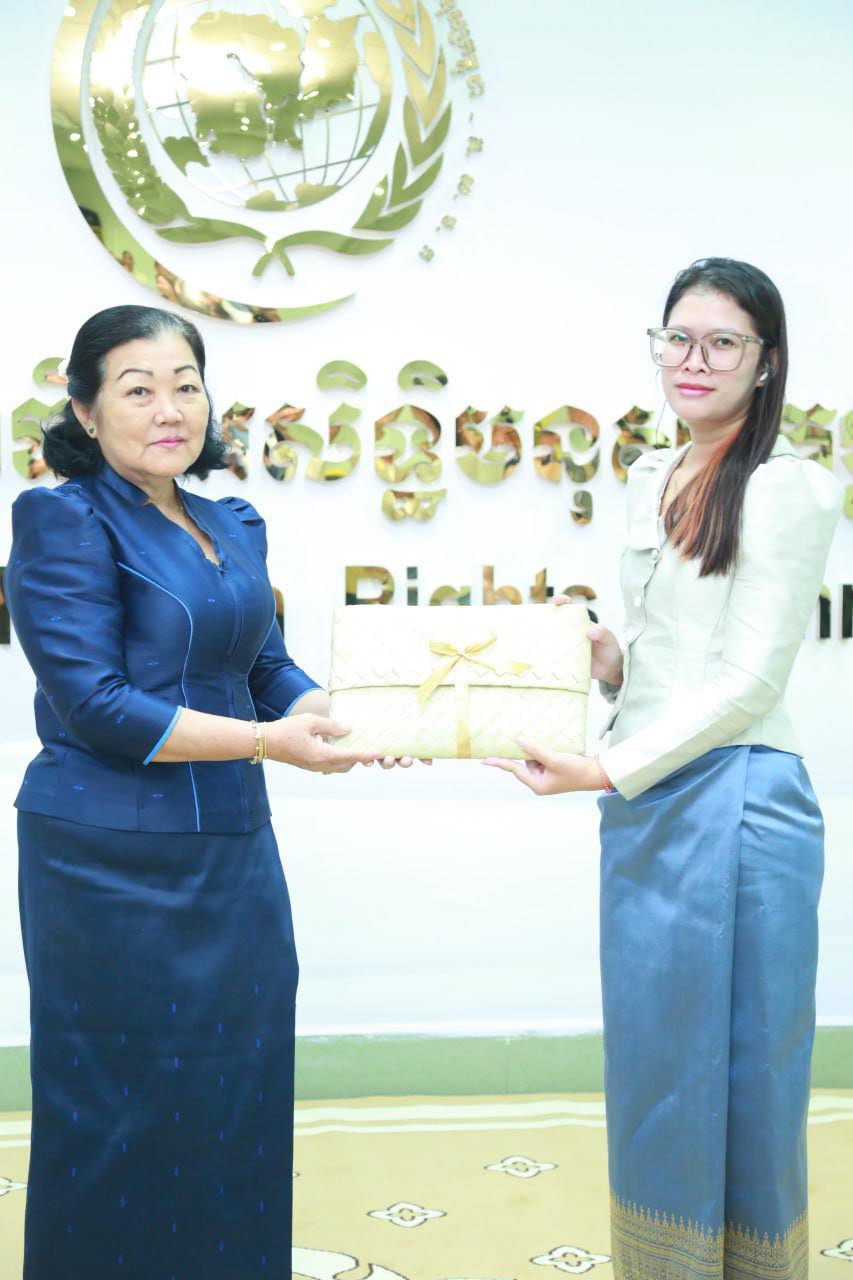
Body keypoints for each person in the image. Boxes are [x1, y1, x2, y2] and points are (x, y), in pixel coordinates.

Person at [5, 304, 392, 1279]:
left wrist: (352, 717)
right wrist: (270, 742)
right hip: (102, 859)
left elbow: (265, 666)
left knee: (236, 1096)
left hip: (232, 848)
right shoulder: (61, 517)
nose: (169, 408)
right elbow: (97, 705)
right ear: (86, 411)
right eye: (137, 388)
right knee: (116, 1108)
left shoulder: (233, 522)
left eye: (186, 384)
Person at [485, 258, 842, 1279]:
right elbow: (674, 654)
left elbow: (749, 679)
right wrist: (611, 661)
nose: (693, 359)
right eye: (676, 337)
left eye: (722, 342)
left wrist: (602, 768)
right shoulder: (654, 472)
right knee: (655, 1064)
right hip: (649, 799)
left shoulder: (787, 486)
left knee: (746, 1074)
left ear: (765, 361)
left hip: (740, 802)